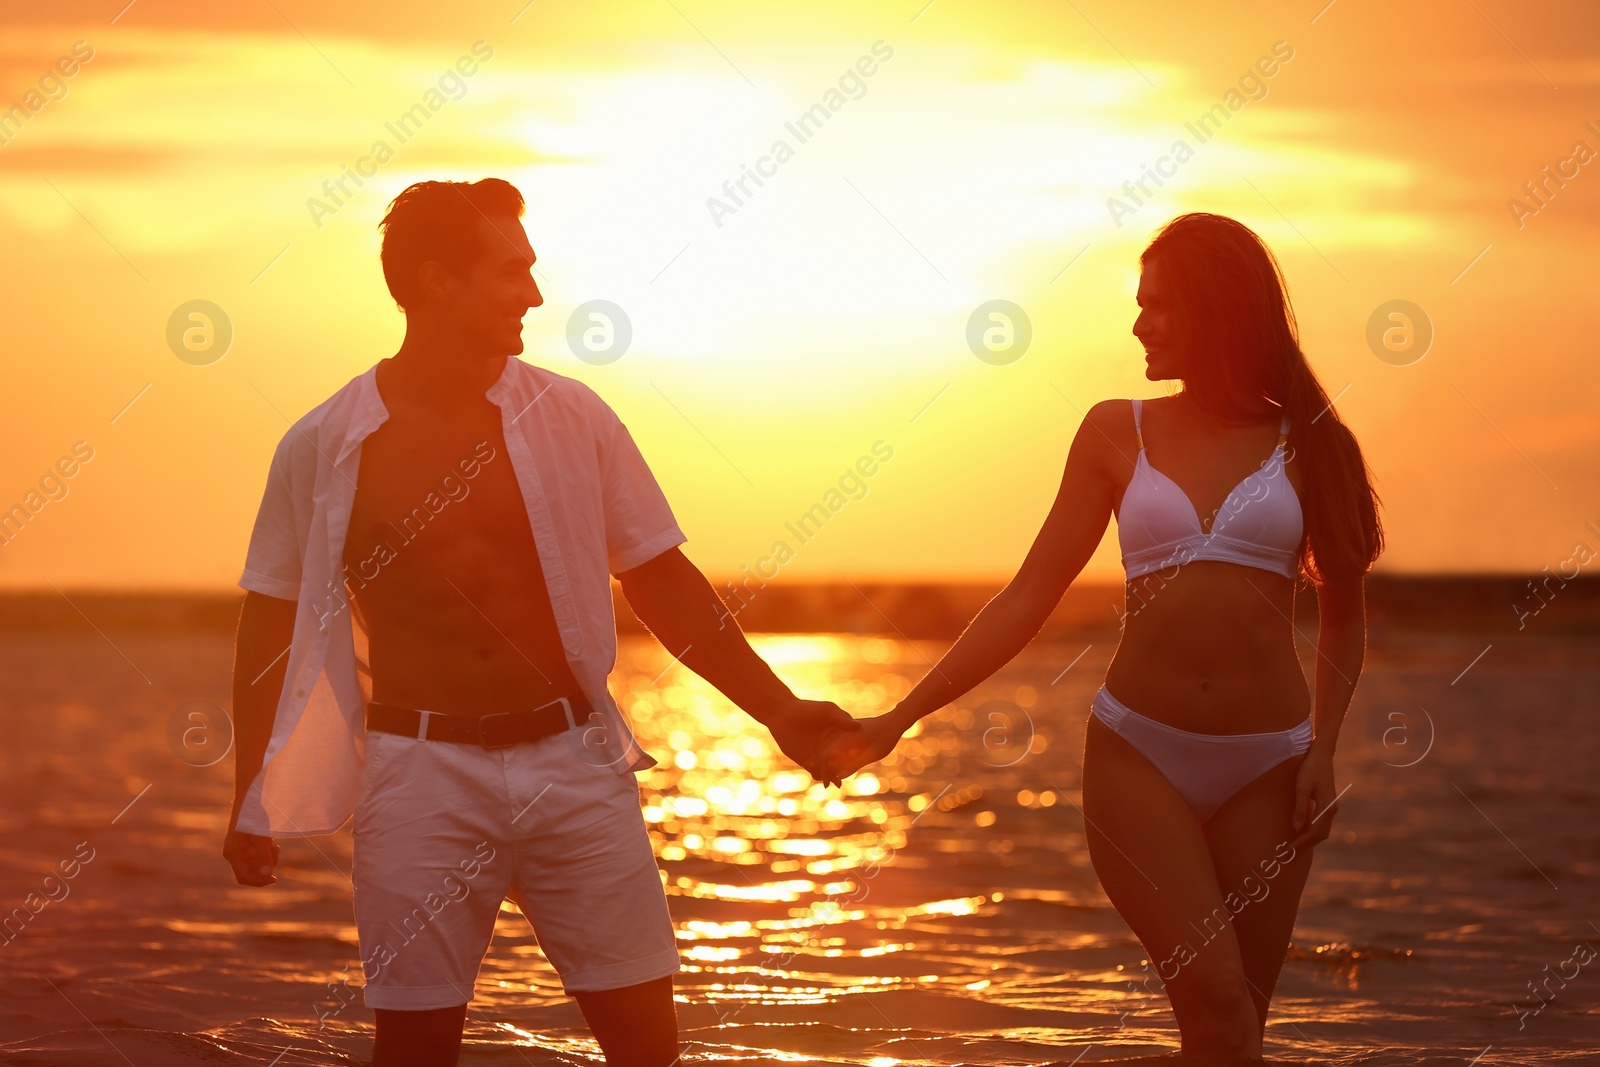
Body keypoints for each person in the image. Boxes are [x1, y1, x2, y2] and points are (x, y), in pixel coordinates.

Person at [221, 177, 859, 1067]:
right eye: (511, 271)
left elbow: (662, 579)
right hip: (418, 775)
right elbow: (272, 620)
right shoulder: (325, 443)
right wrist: (253, 790)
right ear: (437, 282)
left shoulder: (573, 417)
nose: (534, 292)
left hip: (575, 763)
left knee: (646, 1046)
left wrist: (781, 711)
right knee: (413, 1045)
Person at [823, 213, 1385, 1061]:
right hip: (1139, 757)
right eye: (1138, 304)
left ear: (1217, 308)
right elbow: (1025, 599)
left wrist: (1323, 752)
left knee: (1235, 1029)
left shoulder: (1310, 442)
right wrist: (901, 715)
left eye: (1157, 306)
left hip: (1271, 766)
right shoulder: (1112, 432)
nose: (1138, 325)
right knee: (1217, 996)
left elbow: (1344, 612)